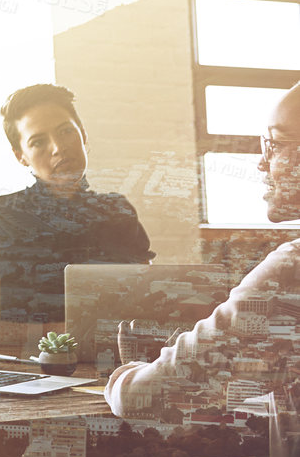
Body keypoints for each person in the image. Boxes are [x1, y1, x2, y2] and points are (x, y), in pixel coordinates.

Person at [107, 83, 300, 417]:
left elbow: (141, 398)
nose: (261, 164)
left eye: (275, 144)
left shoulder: (291, 271)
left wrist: (129, 372)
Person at [0, 83, 153, 356]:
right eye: (38, 141)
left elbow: (151, 314)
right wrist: (69, 333)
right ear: (21, 156)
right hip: (23, 373)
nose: (58, 148)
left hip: (112, 369)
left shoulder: (117, 212)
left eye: (66, 131)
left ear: (83, 135)